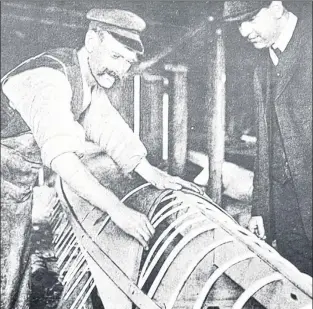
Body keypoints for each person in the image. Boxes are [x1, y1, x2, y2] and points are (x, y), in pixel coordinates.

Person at [1, 8, 201, 309]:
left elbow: (109, 126)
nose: (120, 70)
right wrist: (116, 208)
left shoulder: (84, 80)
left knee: (12, 272)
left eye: (127, 62)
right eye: (116, 57)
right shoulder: (49, 79)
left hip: (14, 190)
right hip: (5, 186)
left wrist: (149, 172)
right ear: (92, 40)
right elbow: (63, 158)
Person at [223, 1, 312, 275]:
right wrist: (260, 209)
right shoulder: (262, 65)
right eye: (238, 23)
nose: (244, 31)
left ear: (275, 6)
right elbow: (265, 143)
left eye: (249, 18)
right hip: (287, 212)